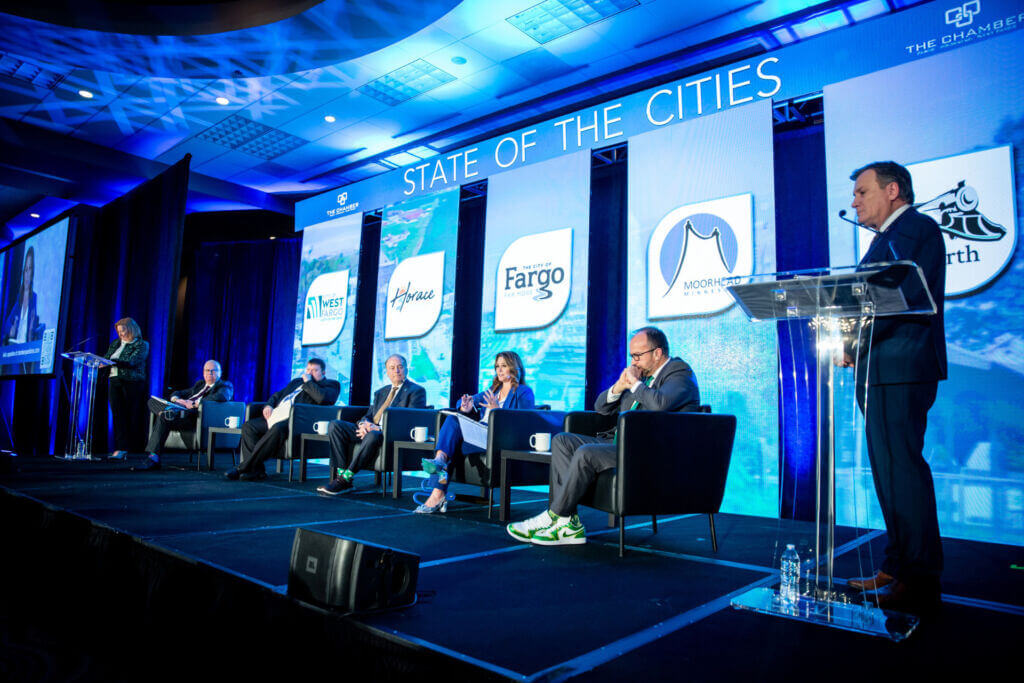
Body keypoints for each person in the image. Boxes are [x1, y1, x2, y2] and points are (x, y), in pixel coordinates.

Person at [841, 161, 947, 612]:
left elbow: (893, 297)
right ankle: (897, 564)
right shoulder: (887, 237)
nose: (854, 202)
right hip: (880, 367)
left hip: (900, 366)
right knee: (888, 472)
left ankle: (919, 579)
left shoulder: (913, 229)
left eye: (862, 192)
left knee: (902, 471)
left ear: (893, 190)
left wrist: (851, 340)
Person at [507, 327, 699, 545]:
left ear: (657, 353)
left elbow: (660, 404)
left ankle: (554, 515)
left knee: (586, 453)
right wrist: (619, 386)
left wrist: (635, 384)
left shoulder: (679, 372)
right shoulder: (643, 378)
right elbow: (601, 408)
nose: (634, 362)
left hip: (649, 452)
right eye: (632, 356)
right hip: (622, 444)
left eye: (638, 356)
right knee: (563, 440)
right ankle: (567, 524)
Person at [414, 351, 534, 514]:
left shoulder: (523, 392)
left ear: (514, 367)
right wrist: (466, 407)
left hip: (497, 438)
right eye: (497, 366)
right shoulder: (493, 390)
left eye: (504, 366)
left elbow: (524, 421)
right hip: (479, 434)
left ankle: (438, 492)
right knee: (452, 422)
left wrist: (497, 411)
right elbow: (462, 401)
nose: (499, 370)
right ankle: (439, 467)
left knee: (451, 444)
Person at [318, 354, 427, 495]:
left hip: (387, 434)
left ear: (406, 369)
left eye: (400, 367)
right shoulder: (381, 392)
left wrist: (379, 428)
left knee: (373, 435)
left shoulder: (416, 391)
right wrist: (363, 424)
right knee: (335, 425)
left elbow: (410, 419)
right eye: (392, 368)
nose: (396, 371)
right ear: (387, 372)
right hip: (370, 430)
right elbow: (369, 415)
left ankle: (345, 478)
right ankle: (341, 475)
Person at [226, 358, 340, 481]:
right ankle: (256, 471)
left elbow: (322, 398)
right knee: (249, 426)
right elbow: (278, 395)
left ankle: (242, 468)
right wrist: (269, 405)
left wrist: (308, 382)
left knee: (278, 428)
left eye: (314, 370)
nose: (310, 373)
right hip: (277, 415)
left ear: (323, 372)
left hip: (296, 421)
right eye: (308, 369)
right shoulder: (297, 381)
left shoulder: (331, 385)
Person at [133, 360, 234, 471]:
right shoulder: (200, 385)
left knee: (165, 417)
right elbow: (178, 392)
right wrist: (176, 399)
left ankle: (153, 458)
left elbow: (222, 397)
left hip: (194, 419)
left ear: (220, 372)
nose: (209, 373)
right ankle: (167, 413)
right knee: (152, 401)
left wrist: (195, 404)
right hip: (179, 412)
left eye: (213, 371)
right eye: (207, 370)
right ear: (203, 372)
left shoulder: (224, 385)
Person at [104, 317, 149, 460]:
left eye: (123, 331)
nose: (121, 334)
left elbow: (132, 362)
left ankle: (128, 448)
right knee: (117, 415)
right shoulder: (116, 343)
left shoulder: (142, 344)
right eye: (119, 331)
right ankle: (120, 448)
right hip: (114, 381)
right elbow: (107, 357)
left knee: (128, 415)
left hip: (131, 382)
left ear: (131, 330)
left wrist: (112, 361)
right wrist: (101, 362)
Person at [3, 246, 40, 346]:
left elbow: (33, 330)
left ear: (32, 273)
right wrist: (11, 329)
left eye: (30, 269)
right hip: (14, 345)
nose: (27, 275)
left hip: (26, 347)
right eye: (26, 270)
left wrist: (31, 327)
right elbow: (7, 324)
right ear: (23, 272)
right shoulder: (19, 297)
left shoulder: (34, 297)